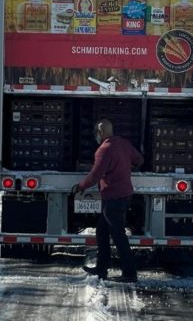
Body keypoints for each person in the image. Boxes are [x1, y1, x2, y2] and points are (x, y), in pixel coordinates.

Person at [71, 118, 143, 282]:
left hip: (113, 197)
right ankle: (101, 268)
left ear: (101, 132)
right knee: (102, 231)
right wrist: (126, 165)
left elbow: (95, 175)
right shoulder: (124, 144)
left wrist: (81, 186)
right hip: (124, 195)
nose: (95, 136)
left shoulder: (104, 150)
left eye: (96, 132)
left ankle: (130, 273)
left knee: (118, 236)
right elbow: (139, 160)